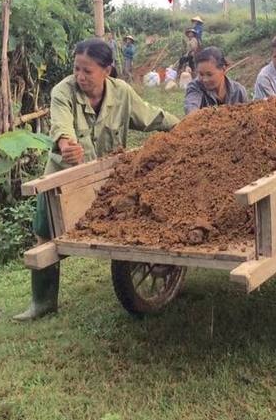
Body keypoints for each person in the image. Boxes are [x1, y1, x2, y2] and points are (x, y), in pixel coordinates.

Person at [13, 38, 180, 321]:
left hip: (108, 178)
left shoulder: (122, 92)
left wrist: (187, 127)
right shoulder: (62, 91)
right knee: (44, 232)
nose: (80, 76)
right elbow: (61, 124)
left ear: (107, 70)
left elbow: (152, 117)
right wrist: (66, 144)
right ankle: (42, 302)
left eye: (88, 70)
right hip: (64, 178)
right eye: (77, 68)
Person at [184, 47, 248, 114]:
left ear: (223, 69)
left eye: (209, 74)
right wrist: (194, 116)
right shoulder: (195, 87)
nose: (205, 80)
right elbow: (191, 106)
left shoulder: (239, 91)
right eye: (201, 74)